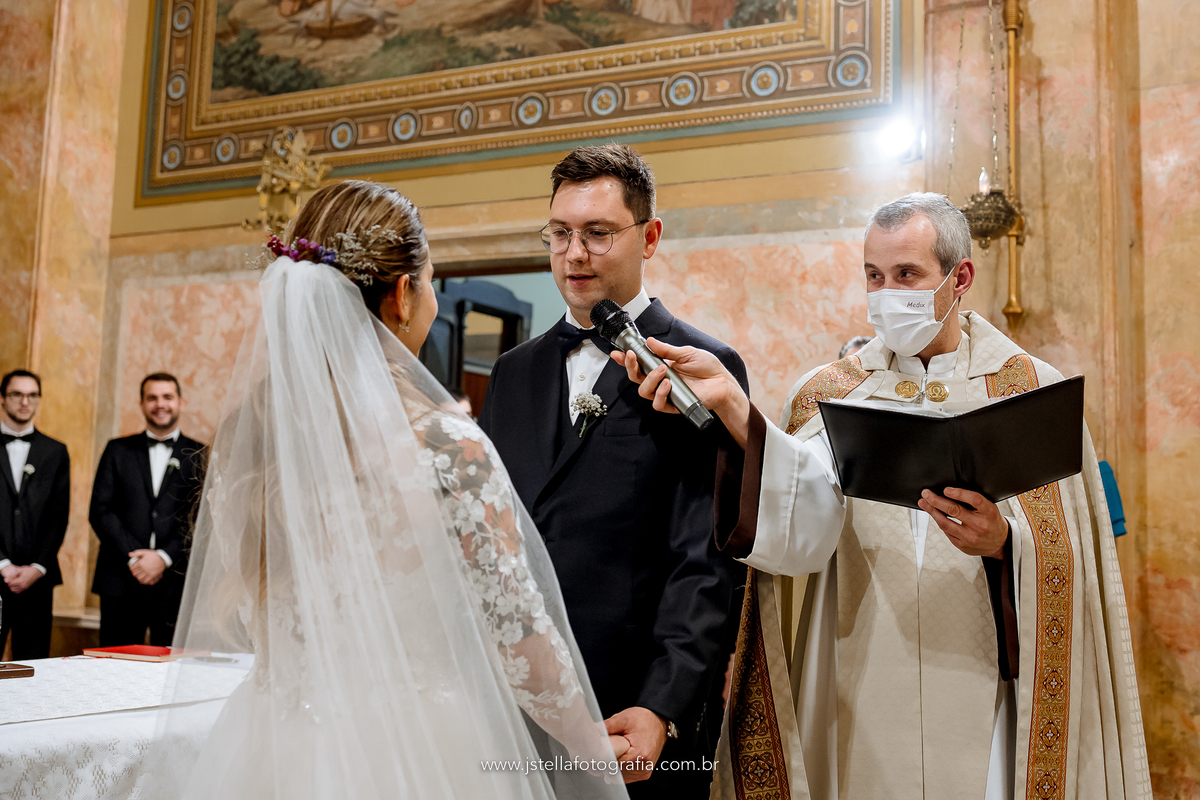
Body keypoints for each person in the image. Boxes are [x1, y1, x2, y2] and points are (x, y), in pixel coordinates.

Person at [615, 193, 1150, 800]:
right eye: (874, 275)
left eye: (907, 275)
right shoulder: (826, 395)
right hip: (861, 675)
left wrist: (1006, 542)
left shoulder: (1032, 391)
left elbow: (1079, 564)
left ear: (959, 278)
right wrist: (736, 410)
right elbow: (797, 519)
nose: (887, 293)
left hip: (988, 688)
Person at [138, 180, 630, 800]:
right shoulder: (445, 445)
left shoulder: (253, 439)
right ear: (402, 295)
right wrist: (590, 747)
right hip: (417, 747)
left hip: (275, 742)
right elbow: (519, 636)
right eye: (429, 282)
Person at [479, 144, 747, 796]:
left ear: (648, 237)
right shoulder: (511, 372)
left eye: (597, 233)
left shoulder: (702, 364)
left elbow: (704, 559)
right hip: (512, 700)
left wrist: (663, 704)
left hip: (630, 709)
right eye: (560, 233)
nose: (574, 254)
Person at [89, 373, 205, 646]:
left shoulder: (199, 454)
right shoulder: (117, 450)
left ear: (181, 402)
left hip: (176, 582)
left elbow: (202, 519)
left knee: (173, 665)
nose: (160, 404)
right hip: (120, 578)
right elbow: (100, 510)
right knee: (114, 663)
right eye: (152, 398)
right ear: (141, 404)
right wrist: (136, 559)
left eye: (167, 397)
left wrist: (164, 557)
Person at [0, 370, 69, 660]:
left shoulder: (55, 451)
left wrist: (37, 567)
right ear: (2, 399)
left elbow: (58, 516)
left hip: (37, 581)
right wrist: (3, 564)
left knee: (32, 667)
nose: (25, 402)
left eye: (32, 395)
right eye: (17, 394)